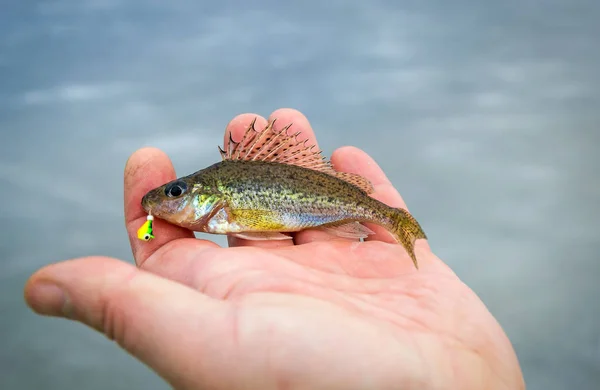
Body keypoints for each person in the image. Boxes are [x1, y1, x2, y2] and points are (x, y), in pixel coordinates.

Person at [24, 108, 525, 389]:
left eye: (175, 194)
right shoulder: (202, 207)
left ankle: (399, 229)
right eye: (169, 195)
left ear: (203, 197)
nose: (163, 201)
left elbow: (250, 220)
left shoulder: (221, 204)